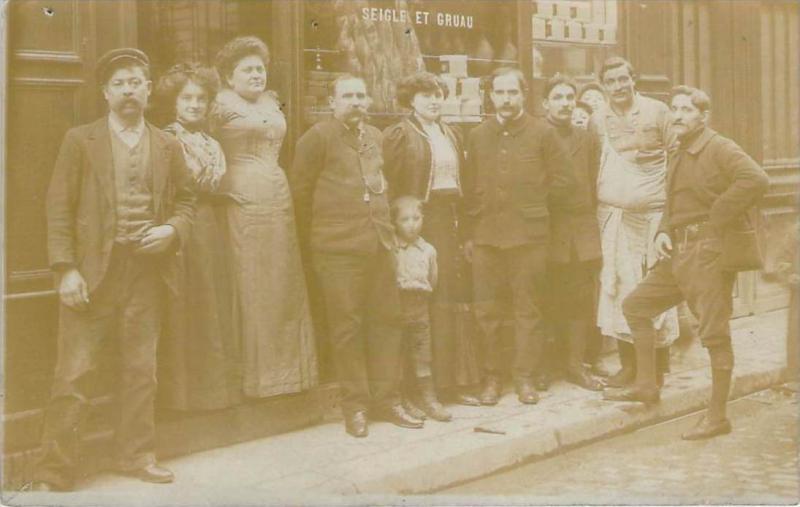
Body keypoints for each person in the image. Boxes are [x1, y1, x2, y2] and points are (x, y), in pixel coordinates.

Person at [27, 48, 195, 491]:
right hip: (92, 274)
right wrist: (65, 269)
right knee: (75, 372)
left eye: (136, 82)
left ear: (148, 89)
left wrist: (172, 231)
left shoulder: (166, 143)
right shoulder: (80, 141)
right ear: (105, 92)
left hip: (145, 272)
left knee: (141, 369)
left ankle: (135, 454)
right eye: (119, 83)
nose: (128, 91)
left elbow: (187, 202)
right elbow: (58, 207)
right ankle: (55, 469)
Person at [604, 86, 769, 441]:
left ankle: (717, 416)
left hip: (708, 252)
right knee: (636, 306)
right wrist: (664, 229)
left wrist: (715, 219)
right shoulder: (679, 149)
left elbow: (756, 179)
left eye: (686, 110)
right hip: (678, 249)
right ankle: (647, 385)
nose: (677, 116)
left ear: (703, 116)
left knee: (713, 332)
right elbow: (673, 199)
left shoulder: (719, 147)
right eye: (674, 109)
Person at [290, 74, 420, 437]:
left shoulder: (376, 137)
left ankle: (387, 399)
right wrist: (318, 241)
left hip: (379, 245)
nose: (357, 102)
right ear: (332, 101)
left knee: (387, 321)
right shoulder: (316, 139)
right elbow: (300, 196)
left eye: (362, 96)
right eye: (348, 96)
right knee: (347, 328)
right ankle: (356, 407)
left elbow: (382, 186)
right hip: (337, 249)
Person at [461, 67, 575, 405]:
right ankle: (492, 378)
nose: (506, 99)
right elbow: (469, 188)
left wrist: (533, 205)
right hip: (486, 239)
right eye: (500, 93)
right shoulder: (478, 135)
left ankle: (524, 377)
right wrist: (470, 233)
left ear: (524, 94)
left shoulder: (542, 134)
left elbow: (565, 182)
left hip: (529, 238)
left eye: (513, 92)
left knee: (528, 310)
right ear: (491, 96)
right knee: (487, 312)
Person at [211, 36, 317, 398]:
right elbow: (201, 146)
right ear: (228, 76)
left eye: (260, 68)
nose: (257, 75)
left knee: (280, 283)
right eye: (248, 69)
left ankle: (285, 378)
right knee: (249, 283)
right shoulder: (219, 104)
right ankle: (249, 381)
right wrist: (220, 186)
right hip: (240, 200)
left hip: (277, 196)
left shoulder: (272, 101)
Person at [382, 71, 481, 409]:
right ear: (411, 101)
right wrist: (401, 232)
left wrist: (465, 232)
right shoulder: (399, 134)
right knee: (419, 308)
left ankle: (451, 384)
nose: (434, 100)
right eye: (425, 95)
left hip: (451, 222)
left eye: (438, 93)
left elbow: (463, 185)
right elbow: (392, 187)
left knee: (451, 305)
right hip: (418, 224)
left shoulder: (451, 132)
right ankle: (418, 392)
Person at [155, 63, 241, 410]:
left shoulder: (210, 142)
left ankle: (213, 393)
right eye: (186, 98)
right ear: (174, 102)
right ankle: (181, 397)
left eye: (201, 99)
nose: (194, 105)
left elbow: (213, 185)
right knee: (183, 304)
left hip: (209, 226)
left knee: (211, 301)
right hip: (182, 224)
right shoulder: (165, 138)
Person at [591, 57, 679, 389]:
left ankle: (655, 369)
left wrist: (670, 220)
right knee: (620, 292)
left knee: (653, 291)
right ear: (603, 85)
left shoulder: (658, 112)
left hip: (655, 220)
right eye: (610, 81)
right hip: (615, 220)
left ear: (633, 79)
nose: (618, 86)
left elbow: (678, 160)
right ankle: (629, 366)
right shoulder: (597, 120)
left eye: (623, 79)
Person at [540, 75, 604, 391]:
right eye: (558, 97)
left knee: (580, 298)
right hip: (548, 228)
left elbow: (594, 180)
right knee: (546, 297)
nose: (565, 103)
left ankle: (575, 364)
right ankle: (547, 366)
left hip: (581, 228)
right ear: (545, 103)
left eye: (569, 97)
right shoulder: (536, 135)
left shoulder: (587, 138)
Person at [391, 196, 452, 422]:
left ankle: (428, 399)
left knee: (422, 356)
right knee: (398, 356)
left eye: (416, 218)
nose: (411, 224)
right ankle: (403, 399)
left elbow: (432, 280)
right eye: (404, 219)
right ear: (395, 222)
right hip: (397, 309)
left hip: (420, 309)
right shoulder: (392, 249)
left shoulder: (428, 250)